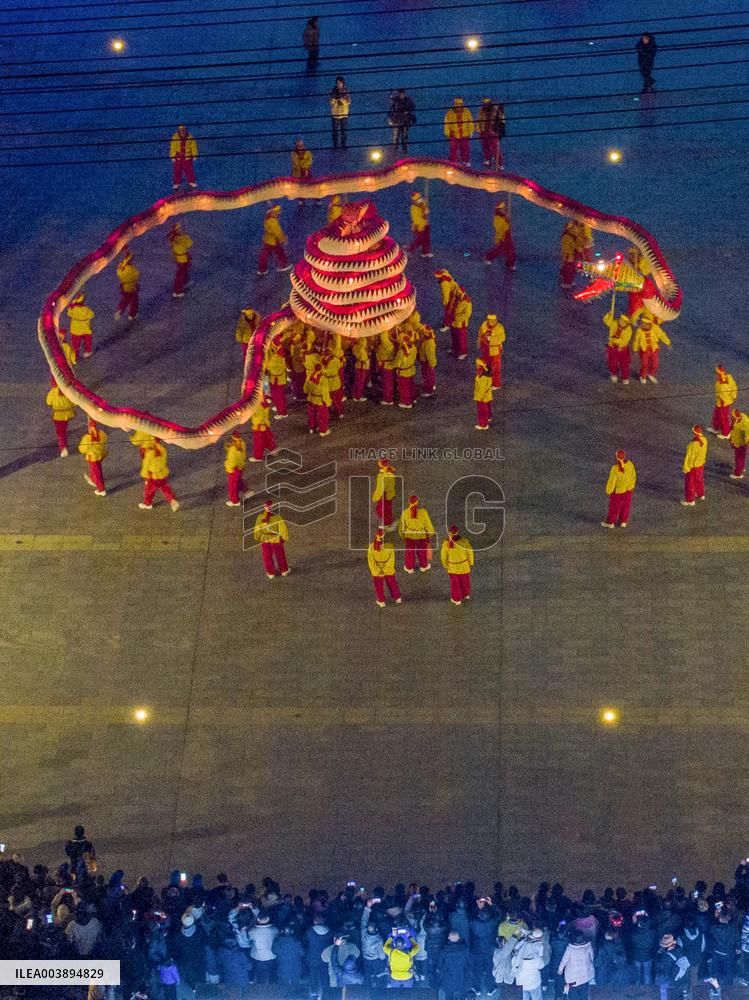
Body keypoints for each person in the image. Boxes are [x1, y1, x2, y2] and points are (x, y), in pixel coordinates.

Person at [136, 436, 180, 512]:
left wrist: (144, 475)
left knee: (149, 490)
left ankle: (147, 503)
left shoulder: (149, 454)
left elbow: (145, 467)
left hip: (153, 476)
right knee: (164, 487)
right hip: (162, 473)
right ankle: (172, 500)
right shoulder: (162, 449)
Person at [253, 499, 290, 579]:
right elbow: (282, 528)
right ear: (273, 507)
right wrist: (285, 537)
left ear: (264, 507)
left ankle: (270, 573)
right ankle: (284, 570)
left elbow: (257, 529)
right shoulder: (277, 517)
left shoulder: (260, 517)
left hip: (265, 539)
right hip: (276, 539)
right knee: (280, 555)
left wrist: (257, 537)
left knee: (267, 556)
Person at [398, 494, 434, 573]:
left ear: (408, 502)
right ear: (417, 502)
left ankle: (409, 567)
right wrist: (430, 532)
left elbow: (402, 526)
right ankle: (423, 566)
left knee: (409, 552)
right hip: (421, 535)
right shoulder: (423, 512)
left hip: (409, 536)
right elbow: (428, 524)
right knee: (422, 552)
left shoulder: (405, 513)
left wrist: (402, 534)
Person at [367, 527, 402, 608]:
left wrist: (378, 570)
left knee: (378, 586)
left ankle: (381, 601)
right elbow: (391, 559)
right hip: (388, 569)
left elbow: (371, 561)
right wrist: (386, 568)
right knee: (392, 583)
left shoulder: (371, 547)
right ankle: (397, 597)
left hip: (377, 571)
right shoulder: (390, 546)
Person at [632, 312, 671, 383]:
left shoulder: (655, 328)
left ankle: (651, 374)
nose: (643, 325)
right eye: (642, 323)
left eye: (644, 324)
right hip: (644, 351)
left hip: (654, 349)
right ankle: (642, 376)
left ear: (649, 324)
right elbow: (636, 341)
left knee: (655, 363)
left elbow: (662, 335)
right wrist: (635, 349)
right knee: (644, 364)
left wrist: (667, 342)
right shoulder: (639, 331)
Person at [601, 449, 636, 528]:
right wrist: (631, 486)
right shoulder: (630, 464)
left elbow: (612, 481)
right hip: (628, 490)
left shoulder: (615, 468)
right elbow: (633, 476)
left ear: (616, 458)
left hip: (618, 492)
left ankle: (611, 523)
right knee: (626, 506)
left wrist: (608, 490)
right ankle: (623, 521)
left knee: (614, 507)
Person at [440, 524, 474, 605]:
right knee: (465, 581)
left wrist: (446, 565)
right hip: (464, 566)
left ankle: (456, 599)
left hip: (453, 568)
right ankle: (466, 594)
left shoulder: (446, 544)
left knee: (455, 584)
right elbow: (470, 552)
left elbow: (443, 556)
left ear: (449, 533)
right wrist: (471, 562)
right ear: (457, 532)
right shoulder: (464, 541)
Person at [557, 929, 594, 1000]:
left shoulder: (570, 948)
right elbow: (592, 957)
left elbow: (564, 960)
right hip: (585, 975)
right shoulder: (588, 946)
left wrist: (560, 970)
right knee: (584, 994)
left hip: (573, 978)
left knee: (573, 996)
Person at [513, 928, 546, 1000]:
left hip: (520, 983)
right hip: (534, 983)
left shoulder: (520, 948)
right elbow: (542, 966)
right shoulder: (537, 957)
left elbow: (513, 962)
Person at [654, 933, 690, 1000]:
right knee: (679, 994)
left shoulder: (667, 956)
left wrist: (659, 954)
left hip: (670, 980)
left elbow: (662, 968)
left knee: (664, 992)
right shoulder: (679, 949)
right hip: (681, 978)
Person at [257, 205, 291, 276]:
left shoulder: (268, 219)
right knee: (280, 253)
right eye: (277, 212)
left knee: (264, 255)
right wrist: (283, 239)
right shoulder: (272, 221)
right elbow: (278, 232)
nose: (279, 213)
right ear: (273, 212)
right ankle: (283, 266)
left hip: (267, 240)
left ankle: (262, 270)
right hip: (274, 241)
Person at [78, 419, 108, 496]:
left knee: (97, 472)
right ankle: (93, 479)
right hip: (100, 454)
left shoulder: (87, 438)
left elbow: (82, 449)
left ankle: (101, 489)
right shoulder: (101, 433)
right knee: (97, 469)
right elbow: (105, 439)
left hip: (92, 457)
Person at [224, 429, 253, 507]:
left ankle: (235, 501)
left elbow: (232, 461)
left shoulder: (233, 449)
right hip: (240, 466)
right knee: (238, 481)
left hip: (233, 470)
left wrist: (228, 467)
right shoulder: (241, 443)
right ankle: (246, 490)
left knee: (232, 486)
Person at [484, 201, 516, 270]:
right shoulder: (497, 218)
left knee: (511, 250)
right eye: (502, 209)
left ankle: (510, 264)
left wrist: (507, 221)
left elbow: (508, 227)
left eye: (504, 209)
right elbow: (500, 228)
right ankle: (488, 257)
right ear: (498, 210)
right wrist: (506, 222)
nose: (504, 210)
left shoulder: (504, 217)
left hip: (507, 236)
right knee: (499, 250)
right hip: (502, 237)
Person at [46, 383, 75, 457]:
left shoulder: (53, 392)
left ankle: (63, 448)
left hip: (58, 415)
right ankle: (63, 445)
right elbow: (75, 403)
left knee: (60, 432)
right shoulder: (69, 390)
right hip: (67, 414)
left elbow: (48, 402)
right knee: (63, 430)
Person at [603, 311, 633, 384]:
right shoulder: (614, 323)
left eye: (623, 321)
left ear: (627, 323)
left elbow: (624, 340)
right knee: (612, 363)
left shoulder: (628, 330)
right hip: (612, 348)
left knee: (624, 364)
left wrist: (614, 340)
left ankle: (625, 377)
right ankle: (614, 373)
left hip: (622, 349)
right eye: (620, 319)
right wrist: (608, 315)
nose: (621, 322)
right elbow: (606, 321)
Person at [681, 424, 707, 507]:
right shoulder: (705, 440)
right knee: (699, 480)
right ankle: (701, 494)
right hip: (700, 464)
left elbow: (689, 458)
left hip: (693, 466)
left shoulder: (693, 445)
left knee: (689, 483)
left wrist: (686, 468)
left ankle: (690, 500)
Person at [440, 931, 471, 1000]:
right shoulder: (465, 949)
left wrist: (442, 972)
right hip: (462, 977)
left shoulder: (444, 950)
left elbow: (440, 964)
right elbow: (469, 963)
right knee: (462, 995)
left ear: (448, 938)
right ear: (459, 938)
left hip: (448, 977)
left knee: (448, 995)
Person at [478, 313, 505, 388]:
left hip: (495, 350)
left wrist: (491, 339)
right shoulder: (484, 324)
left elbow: (502, 338)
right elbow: (480, 332)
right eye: (490, 320)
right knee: (487, 365)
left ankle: (496, 384)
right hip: (486, 349)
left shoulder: (500, 328)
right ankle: (488, 381)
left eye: (493, 321)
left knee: (495, 367)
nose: (492, 322)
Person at [709, 365, 737, 439]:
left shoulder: (726, 381)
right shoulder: (725, 379)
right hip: (720, 402)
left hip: (724, 403)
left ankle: (726, 434)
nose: (716, 375)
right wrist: (733, 396)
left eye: (717, 373)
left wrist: (733, 396)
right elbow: (734, 386)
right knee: (717, 415)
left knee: (723, 418)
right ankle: (716, 429)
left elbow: (734, 387)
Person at [444, 98, 474, 163]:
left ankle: (465, 161)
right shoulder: (450, 112)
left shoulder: (467, 111)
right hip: (453, 134)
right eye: (457, 104)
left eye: (460, 104)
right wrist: (447, 132)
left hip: (465, 134)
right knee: (453, 149)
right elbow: (446, 123)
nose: (458, 106)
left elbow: (470, 121)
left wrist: (471, 131)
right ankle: (453, 161)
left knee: (465, 148)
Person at [305, 363, 332, 436]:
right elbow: (325, 392)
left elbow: (305, 389)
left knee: (312, 414)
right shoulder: (323, 379)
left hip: (311, 398)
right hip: (320, 400)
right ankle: (323, 431)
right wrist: (327, 402)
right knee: (322, 416)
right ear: (321, 369)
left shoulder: (309, 376)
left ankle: (312, 428)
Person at [66, 292, 95, 360]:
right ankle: (87, 352)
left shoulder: (73, 309)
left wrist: (72, 306)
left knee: (76, 344)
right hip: (85, 329)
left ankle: (76, 356)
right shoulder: (86, 309)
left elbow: (69, 313)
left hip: (75, 330)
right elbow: (92, 315)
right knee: (87, 341)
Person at [168, 222, 193, 298]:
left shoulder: (172, 239)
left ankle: (184, 283)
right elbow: (190, 244)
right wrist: (185, 237)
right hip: (183, 258)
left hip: (178, 258)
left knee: (183, 272)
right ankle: (177, 291)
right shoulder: (183, 238)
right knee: (180, 275)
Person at [170, 124, 198, 190]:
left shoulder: (190, 137)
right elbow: (173, 146)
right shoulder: (175, 137)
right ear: (179, 130)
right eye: (181, 130)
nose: (183, 131)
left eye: (184, 130)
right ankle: (176, 183)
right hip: (178, 157)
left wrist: (195, 155)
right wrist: (172, 156)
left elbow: (193, 146)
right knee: (177, 171)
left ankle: (191, 182)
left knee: (189, 171)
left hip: (187, 157)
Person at [249, 395, 277, 461]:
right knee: (267, 438)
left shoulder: (258, 406)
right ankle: (273, 449)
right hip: (264, 425)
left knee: (258, 443)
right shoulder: (264, 403)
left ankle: (258, 457)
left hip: (259, 426)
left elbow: (258, 417)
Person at [115, 248, 140, 321]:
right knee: (134, 302)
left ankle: (120, 309)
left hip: (124, 287)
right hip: (132, 288)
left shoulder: (121, 267)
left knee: (125, 300)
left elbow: (118, 272)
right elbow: (136, 276)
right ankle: (132, 315)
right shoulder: (131, 269)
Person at [372, 458, 397, 528]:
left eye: (379, 462)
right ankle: (390, 523)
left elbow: (381, 488)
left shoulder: (383, 475)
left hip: (384, 495)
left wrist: (375, 497)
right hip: (389, 494)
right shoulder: (390, 472)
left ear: (381, 464)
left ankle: (387, 526)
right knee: (387, 509)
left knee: (380, 510)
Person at [266, 344, 289, 418]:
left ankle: (282, 412)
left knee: (278, 396)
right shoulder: (283, 359)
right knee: (280, 396)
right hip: (280, 379)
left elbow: (269, 367)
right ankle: (281, 409)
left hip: (275, 380)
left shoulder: (276, 358)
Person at [389, 88, 415, 154]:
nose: (401, 94)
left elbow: (413, 106)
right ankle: (394, 151)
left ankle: (404, 151)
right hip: (397, 121)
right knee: (396, 137)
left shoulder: (407, 100)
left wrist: (407, 111)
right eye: (400, 93)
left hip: (405, 121)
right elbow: (391, 109)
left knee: (404, 137)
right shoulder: (395, 100)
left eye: (402, 93)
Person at [395, 332, 417, 408]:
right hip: (411, 369)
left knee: (404, 388)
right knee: (411, 386)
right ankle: (413, 398)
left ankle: (407, 403)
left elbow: (398, 362)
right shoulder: (413, 347)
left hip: (404, 372)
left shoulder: (402, 351)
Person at [407, 192, 433, 258]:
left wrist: (426, 210)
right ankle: (410, 250)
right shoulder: (413, 208)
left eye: (420, 199)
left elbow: (426, 210)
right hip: (419, 227)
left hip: (425, 225)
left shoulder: (422, 203)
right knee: (419, 240)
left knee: (427, 239)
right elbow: (417, 219)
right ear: (414, 201)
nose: (420, 201)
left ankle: (425, 252)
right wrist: (425, 215)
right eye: (418, 200)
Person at [477, 97, 500, 168]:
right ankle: (487, 159)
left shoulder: (495, 111)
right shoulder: (481, 111)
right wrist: (479, 129)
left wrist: (499, 130)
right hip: (484, 131)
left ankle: (499, 162)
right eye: (484, 103)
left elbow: (500, 121)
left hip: (492, 132)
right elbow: (479, 120)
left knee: (495, 147)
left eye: (487, 103)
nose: (485, 105)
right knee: (485, 146)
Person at [376, 329, 397, 405]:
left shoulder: (388, 345)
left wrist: (384, 328)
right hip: (386, 366)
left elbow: (384, 338)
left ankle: (388, 399)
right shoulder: (390, 344)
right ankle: (388, 397)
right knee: (388, 382)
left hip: (386, 366)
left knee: (387, 383)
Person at [450, 286, 472, 360]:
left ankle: (463, 352)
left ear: (463, 293)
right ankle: (455, 349)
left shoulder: (467, 302)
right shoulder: (457, 298)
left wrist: (456, 317)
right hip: (454, 322)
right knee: (454, 336)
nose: (457, 294)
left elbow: (467, 314)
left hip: (461, 323)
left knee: (461, 339)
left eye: (459, 293)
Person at [330, 77, 351, 150]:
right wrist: (334, 99)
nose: (338, 84)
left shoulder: (346, 91)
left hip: (344, 114)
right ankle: (335, 145)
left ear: (343, 83)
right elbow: (331, 102)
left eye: (340, 83)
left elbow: (348, 102)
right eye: (337, 83)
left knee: (344, 131)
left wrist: (342, 99)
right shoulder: (333, 91)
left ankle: (343, 145)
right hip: (335, 114)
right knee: (335, 131)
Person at [291, 139, 313, 207]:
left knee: (312, 184)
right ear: (296, 147)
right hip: (298, 174)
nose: (300, 147)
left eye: (302, 146)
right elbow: (295, 163)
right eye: (299, 146)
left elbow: (310, 161)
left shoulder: (308, 153)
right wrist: (303, 167)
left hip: (306, 172)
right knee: (299, 187)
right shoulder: (293, 154)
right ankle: (301, 199)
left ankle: (316, 198)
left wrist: (304, 167)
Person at [728, 408, 749, 479]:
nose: (732, 418)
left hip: (741, 444)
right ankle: (740, 468)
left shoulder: (745, 424)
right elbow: (732, 428)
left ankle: (738, 473)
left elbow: (747, 436)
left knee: (739, 458)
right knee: (740, 457)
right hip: (737, 441)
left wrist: (744, 444)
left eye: (733, 417)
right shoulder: (740, 418)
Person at [474, 358, 493, 430]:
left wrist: (480, 397)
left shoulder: (482, 376)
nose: (476, 365)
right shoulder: (487, 373)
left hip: (481, 396)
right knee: (488, 407)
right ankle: (488, 417)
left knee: (482, 410)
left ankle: (483, 424)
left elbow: (481, 388)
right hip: (487, 395)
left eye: (477, 365)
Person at [351, 336, 372, 401]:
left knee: (360, 381)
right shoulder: (356, 346)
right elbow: (360, 351)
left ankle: (357, 394)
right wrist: (363, 341)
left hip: (364, 365)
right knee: (359, 381)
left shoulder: (362, 345)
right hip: (361, 366)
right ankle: (357, 396)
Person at [418, 324, 437, 396]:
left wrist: (432, 364)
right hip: (425, 361)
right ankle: (430, 386)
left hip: (427, 362)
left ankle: (428, 391)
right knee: (428, 375)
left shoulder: (429, 343)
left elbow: (430, 355)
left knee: (428, 375)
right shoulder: (427, 339)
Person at [559, 222, 577, 290]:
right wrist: (567, 255)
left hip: (572, 255)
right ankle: (567, 282)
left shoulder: (572, 236)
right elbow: (565, 247)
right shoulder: (567, 237)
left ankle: (568, 281)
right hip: (569, 256)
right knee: (569, 269)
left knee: (571, 269)